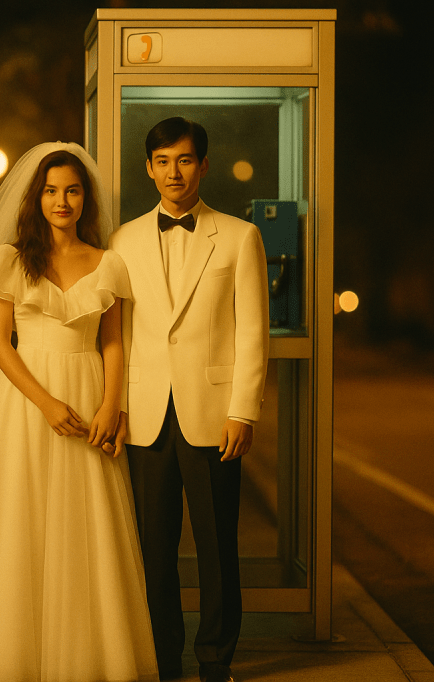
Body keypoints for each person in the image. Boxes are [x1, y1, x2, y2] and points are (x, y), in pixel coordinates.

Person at [0, 142, 158, 682]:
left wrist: (111, 405)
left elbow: (113, 343)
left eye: (71, 191)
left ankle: (87, 655)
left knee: (87, 524)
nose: (61, 201)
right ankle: (9, 654)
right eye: (50, 191)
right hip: (26, 402)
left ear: (85, 198)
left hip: (89, 394)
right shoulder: (10, 259)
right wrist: (47, 404)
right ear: (36, 198)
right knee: (17, 520)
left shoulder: (108, 263)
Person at [109, 118, 269, 682]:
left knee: (217, 546)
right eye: (162, 161)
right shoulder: (122, 240)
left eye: (183, 160)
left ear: (202, 165)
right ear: (148, 168)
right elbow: (118, 333)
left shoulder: (240, 237)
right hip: (145, 415)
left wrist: (243, 410)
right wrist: (115, 405)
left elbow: (253, 331)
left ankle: (215, 660)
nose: (172, 172)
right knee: (154, 549)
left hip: (214, 413)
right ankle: (163, 655)